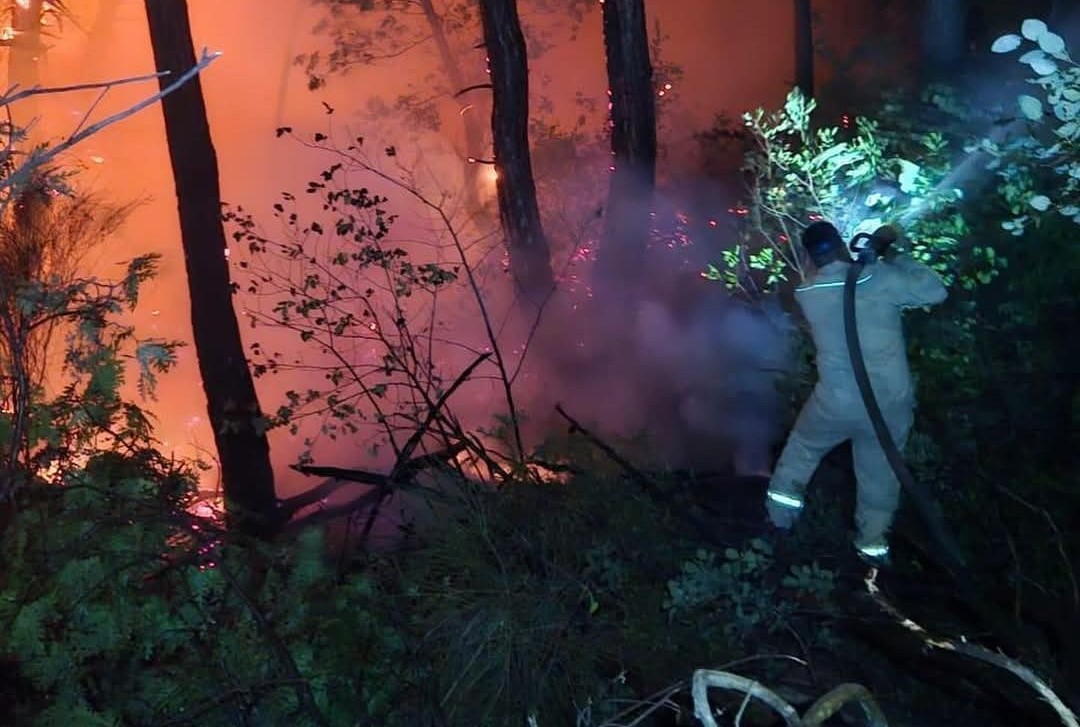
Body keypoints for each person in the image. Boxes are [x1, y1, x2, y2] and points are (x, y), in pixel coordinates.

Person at [764, 220, 947, 565]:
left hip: (836, 402)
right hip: (888, 404)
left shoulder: (809, 294)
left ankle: (778, 523)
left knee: (802, 449)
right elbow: (935, 291)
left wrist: (870, 261)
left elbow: (838, 284)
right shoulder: (879, 278)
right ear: (840, 245)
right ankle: (871, 551)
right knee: (879, 478)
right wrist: (896, 256)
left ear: (811, 258)